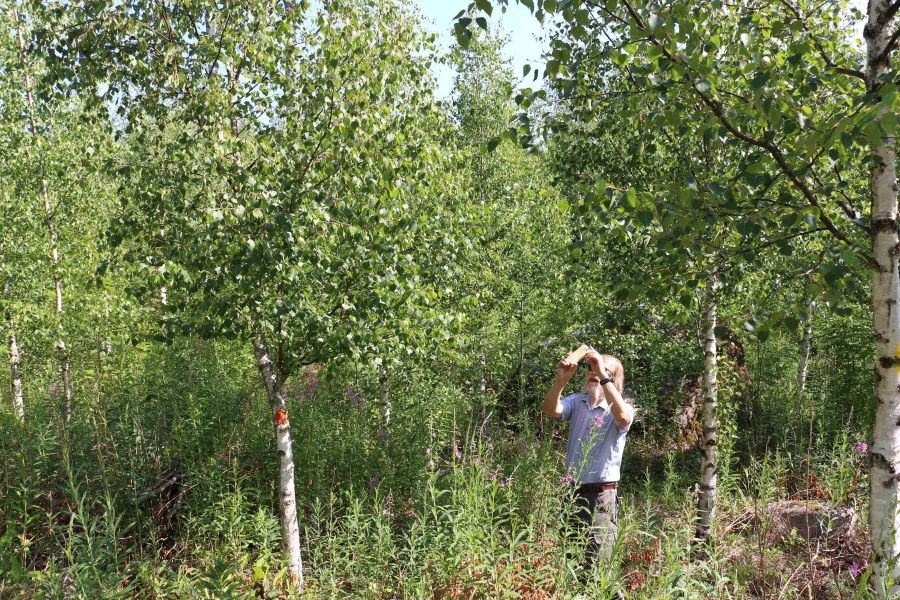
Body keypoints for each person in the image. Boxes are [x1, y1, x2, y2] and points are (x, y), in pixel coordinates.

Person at [543, 347, 634, 563]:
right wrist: (560, 381)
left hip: (601, 497)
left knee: (598, 561)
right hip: (572, 492)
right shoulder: (577, 401)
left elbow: (623, 418)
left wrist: (602, 374)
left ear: (614, 379)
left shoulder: (623, 408)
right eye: (591, 368)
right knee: (570, 558)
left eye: (603, 370)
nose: (595, 372)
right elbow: (550, 409)